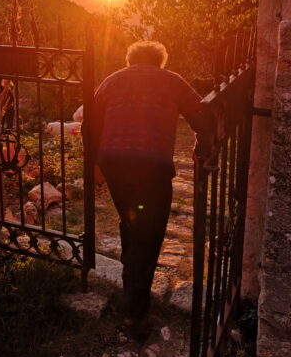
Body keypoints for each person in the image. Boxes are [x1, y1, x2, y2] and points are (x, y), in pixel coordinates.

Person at [89, 41, 214, 339]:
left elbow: (90, 124)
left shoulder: (112, 80)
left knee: (133, 224)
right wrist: (202, 147)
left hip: (114, 165)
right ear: (160, 61)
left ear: (130, 60)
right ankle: (135, 314)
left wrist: (95, 165)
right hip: (151, 169)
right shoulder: (171, 81)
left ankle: (130, 283)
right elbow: (205, 116)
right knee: (150, 234)